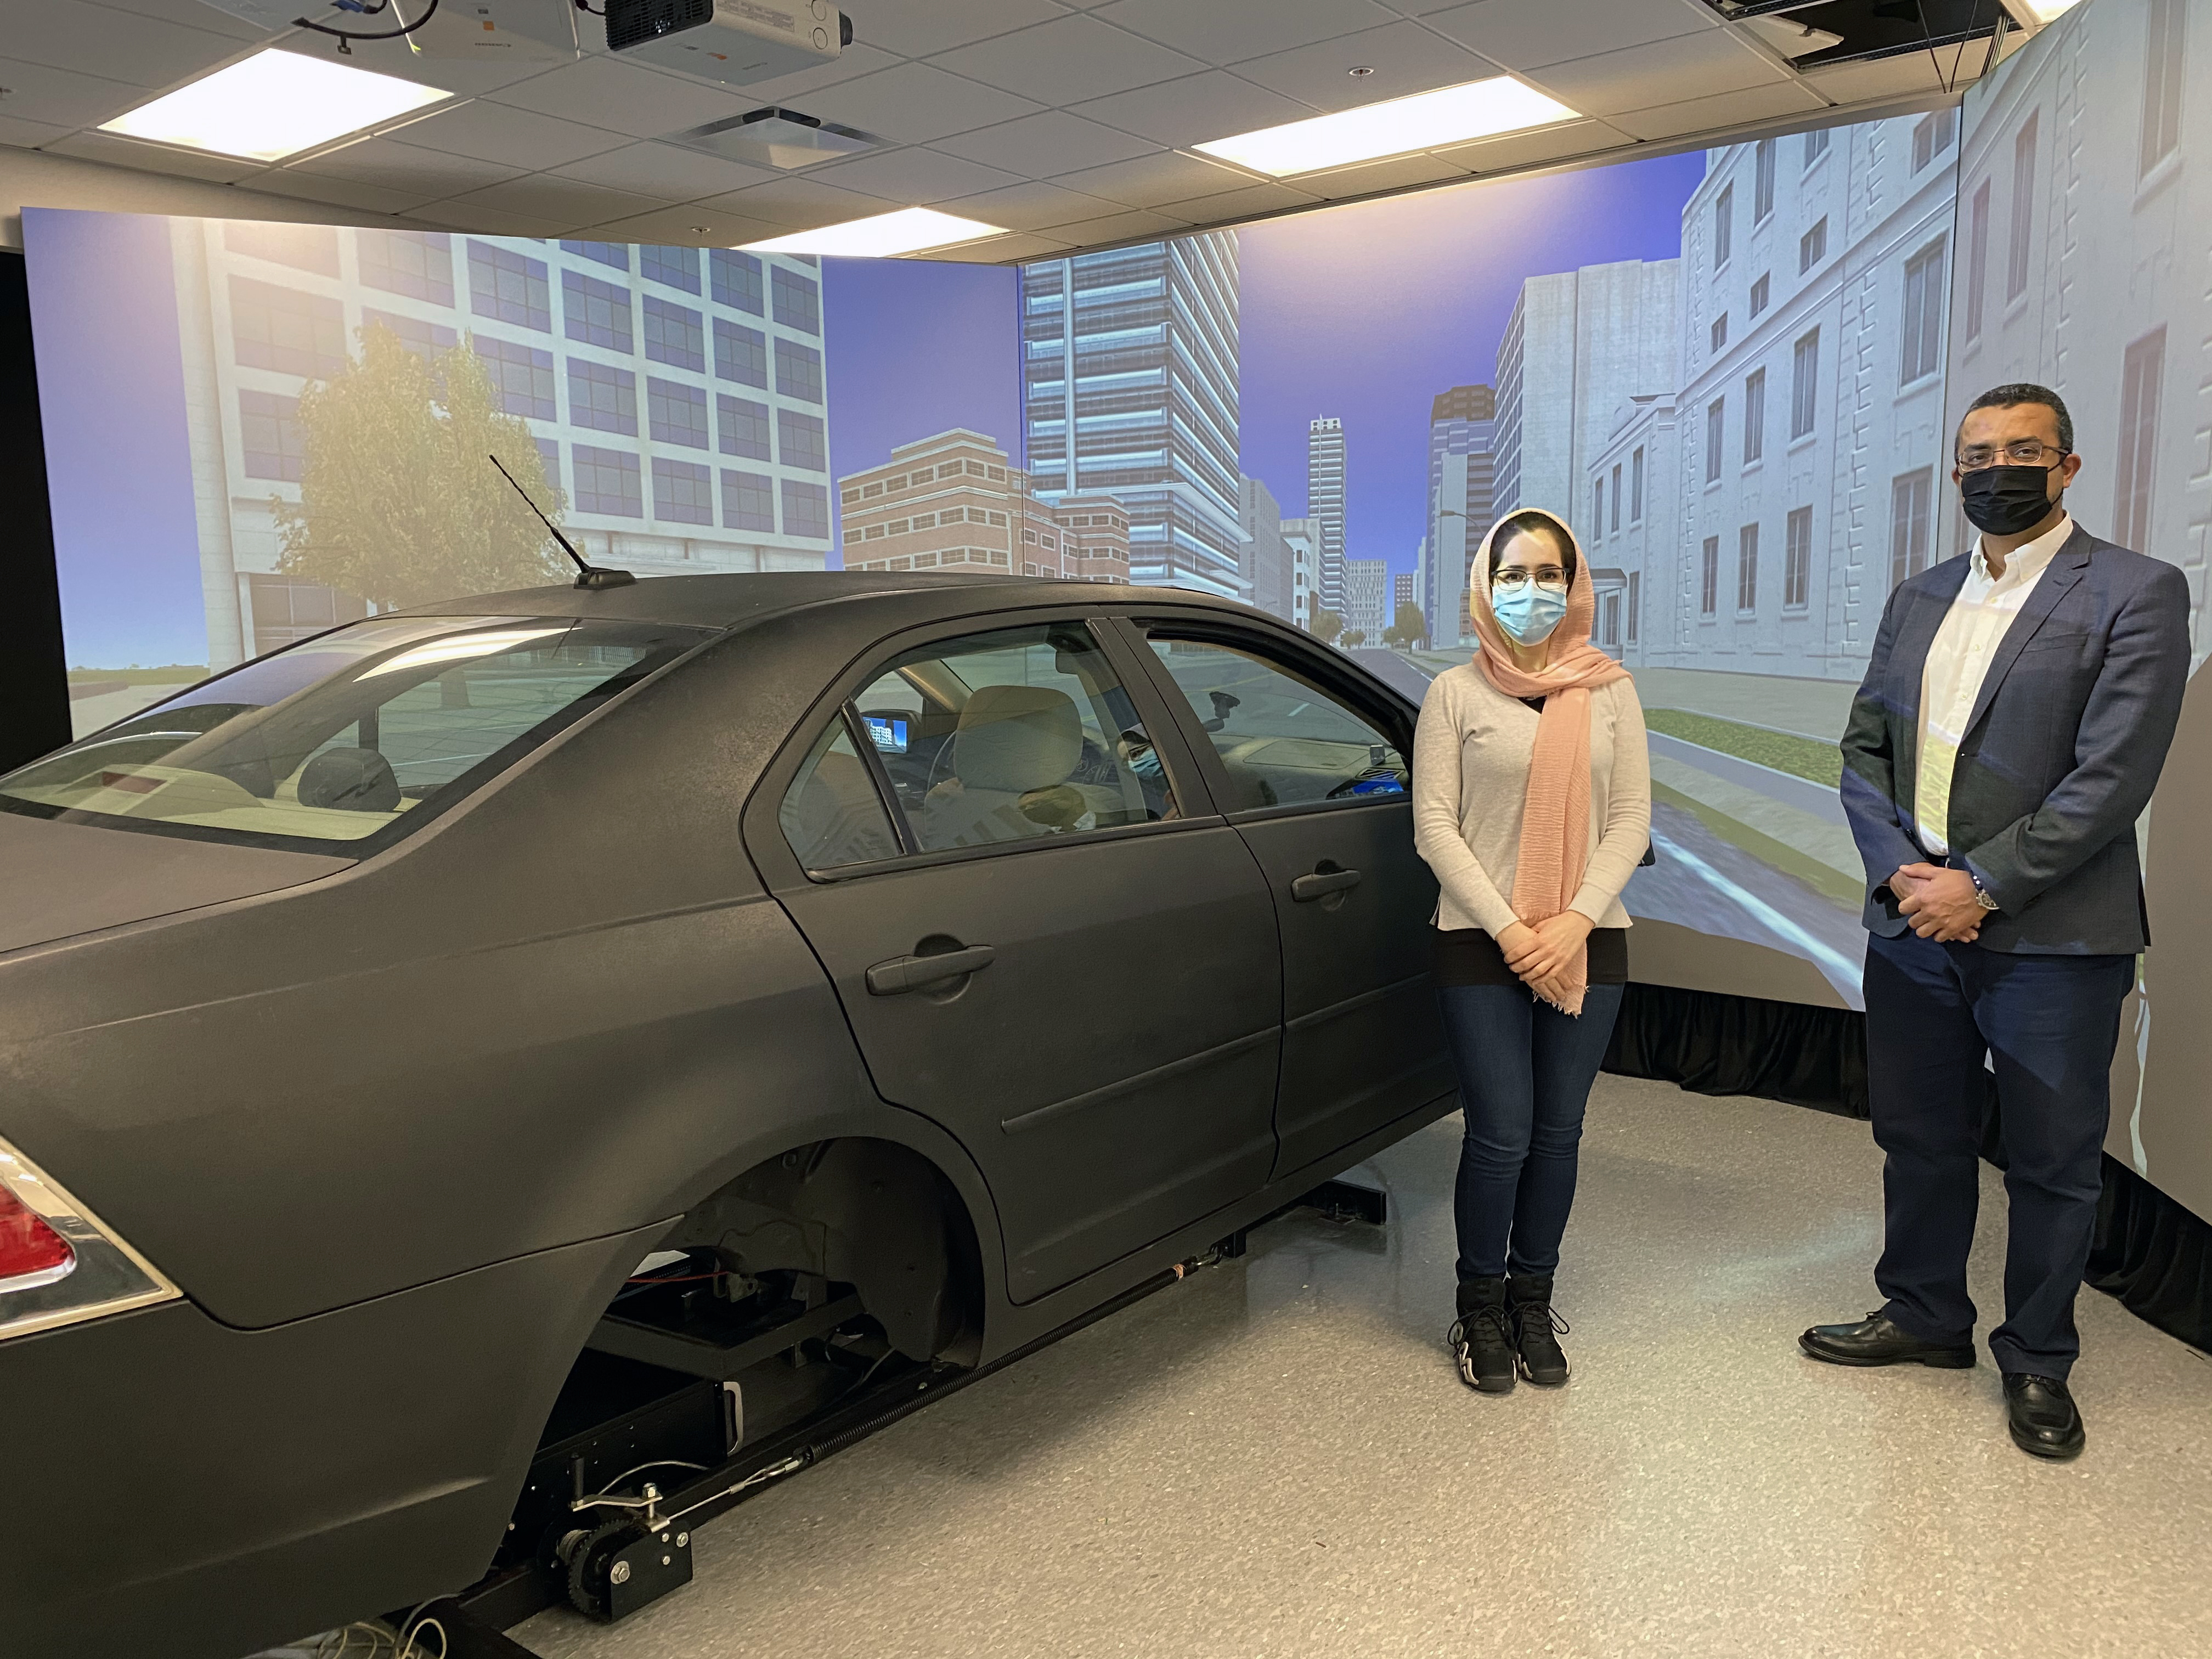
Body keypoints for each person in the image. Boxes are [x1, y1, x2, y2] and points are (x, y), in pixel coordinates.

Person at [1808, 383, 2189, 1460]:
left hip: (2053, 942)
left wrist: (1980, 885)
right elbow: (1861, 753)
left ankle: (2037, 1360)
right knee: (1918, 1139)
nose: (1994, 469)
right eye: (1975, 453)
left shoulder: (2137, 591)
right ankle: (1927, 1317)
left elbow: (2110, 780)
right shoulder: (1918, 595)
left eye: (2022, 451)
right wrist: (1903, 878)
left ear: (2068, 467)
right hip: (1911, 930)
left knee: (2053, 1162)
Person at [1412, 508, 1651, 1395]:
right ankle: (1479, 1307)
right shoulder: (1453, 694)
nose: (1530, 591)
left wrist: (1576, 920)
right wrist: (1513, 930)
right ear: (1484, 585)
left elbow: (1631, 819)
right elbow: (1435, 826)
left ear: (1575, 584)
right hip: (1481, 942)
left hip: (1590, 940)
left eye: (1547, 574)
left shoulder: (1612, 691)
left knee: (1559, 1133)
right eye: (1512, 575)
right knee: (1502, 1134)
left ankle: (1530, 1300)